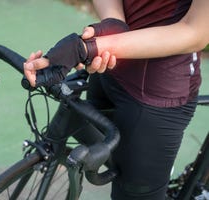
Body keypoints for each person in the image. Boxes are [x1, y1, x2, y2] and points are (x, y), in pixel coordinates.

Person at [24, 0, 209, 199]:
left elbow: (195, 32)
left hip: (156, 95)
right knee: (120, 166)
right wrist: (114, 23)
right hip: (110, 66)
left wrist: (88, 48)